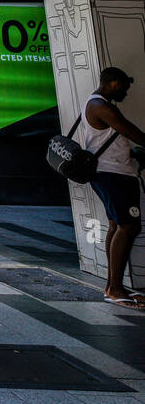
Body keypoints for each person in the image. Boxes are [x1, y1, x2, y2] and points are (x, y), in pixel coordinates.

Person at [78, 67, 145, 310]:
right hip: (112, 174)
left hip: (113, 172)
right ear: (114, 84)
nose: (127, 91)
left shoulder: (98, 102)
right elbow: (130, 131)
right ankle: (115, 289)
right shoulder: (99, 105)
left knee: (118, 225)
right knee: (128, 226)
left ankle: (113, 286)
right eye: (125, 86)